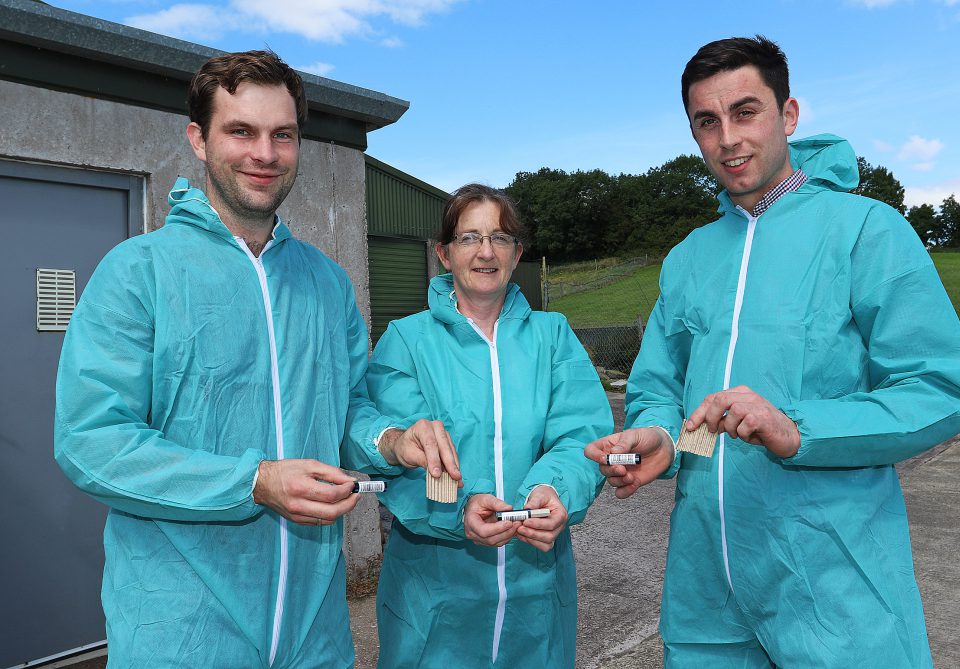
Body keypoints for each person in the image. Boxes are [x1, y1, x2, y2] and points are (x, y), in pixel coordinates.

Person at [54, 50, 456, 668]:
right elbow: (92, 441)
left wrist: (393, 442)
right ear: (199, 139)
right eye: (241, 131)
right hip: (183, 635)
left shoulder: (327, 282)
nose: (264, 154)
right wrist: (254, 482)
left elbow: (349, 408)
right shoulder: (138, 272)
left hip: (314, 633)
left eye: (282, 135)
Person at [585, 36, 960, 668]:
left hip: (835, 582)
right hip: (705, 583)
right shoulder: (688, 258)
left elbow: (939, 392)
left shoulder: (866, 231)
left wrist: (798, 429)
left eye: (745, 112)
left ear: (788, 115)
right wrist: (661, 438)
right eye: (707, 122)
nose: (728, 139)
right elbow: (662, 386)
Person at [340, 183, 612, 668]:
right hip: (434, 597)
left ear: (517, 253)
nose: (486, 251)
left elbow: (581, 435)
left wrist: (555, 489)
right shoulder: (407, 340)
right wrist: (457, 509)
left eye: (500, 237)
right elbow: (399, 452)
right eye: (469, 238)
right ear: (444, 254)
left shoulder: (553, 337)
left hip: (537, 592)